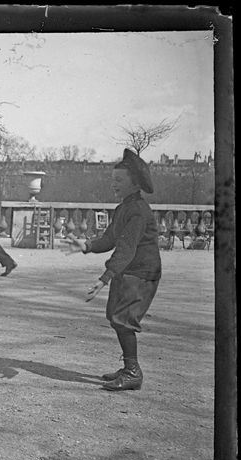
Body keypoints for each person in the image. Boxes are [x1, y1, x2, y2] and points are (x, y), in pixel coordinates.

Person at [65, 148, 161, 392]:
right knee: (115, 316)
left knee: (123, 320)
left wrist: (103, 279)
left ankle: (132, 373)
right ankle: (129, 368)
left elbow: (126, 250)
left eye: (119, 180)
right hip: (127, 271)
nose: (113, 184)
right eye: (113, 179)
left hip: (141, 273)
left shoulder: (138, 210)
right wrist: (86, 245)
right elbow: (109, 240)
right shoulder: (124, 208)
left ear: (134, 182)